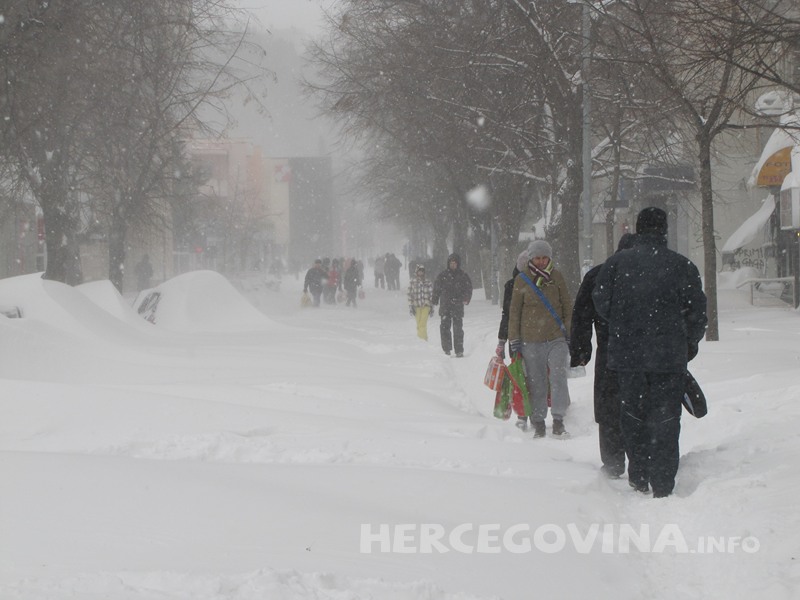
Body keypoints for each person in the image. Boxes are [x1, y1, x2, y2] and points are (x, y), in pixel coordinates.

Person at [593, 207, 707, 498]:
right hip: (668, 358)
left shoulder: (616, 264)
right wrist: (686, 345)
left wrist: (624, 325)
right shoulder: (682, 266)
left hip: (628, 357)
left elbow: (601, 304)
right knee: (666, 418)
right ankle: (663, 480)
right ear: (664, 230)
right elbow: (697, 313)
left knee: (633, 415)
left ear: (638, 228)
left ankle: (639, 474)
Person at [570, 233, 636, 476]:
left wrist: (580, 350)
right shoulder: (654, 274)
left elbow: (581, 315)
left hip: (609, 352)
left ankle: (613, 461)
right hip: (645, 354)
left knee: (609, 407)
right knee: (639, 407)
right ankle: (641, 461)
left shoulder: (599, 274)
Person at [507, 240, 572, 438]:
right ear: (531, 259)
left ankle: (558, 420)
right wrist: (514, 339)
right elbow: (514, 312)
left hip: (556, 337)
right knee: (537, 383)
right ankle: (539, 422)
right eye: (537, 258)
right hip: (531, 340)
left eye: (545, 258)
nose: (542, 261)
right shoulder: (522, 280)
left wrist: (569, 332)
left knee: (559, 377)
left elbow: (567, 306)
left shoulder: (557, 277)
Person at [496, 250, 530, 430]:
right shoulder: (511, 285)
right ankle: (522, 415)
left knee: (534, 377)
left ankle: (533, 413)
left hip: (535, 336)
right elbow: (507, 314)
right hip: (516, 338)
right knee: (519, 377)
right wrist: (502, 340)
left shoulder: (539, 283)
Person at [432, 253, 472, 357]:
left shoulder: (463, 276)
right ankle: (447, 349)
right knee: (444, 328)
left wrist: (466, 298)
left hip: (457, 306)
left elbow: (468, 289)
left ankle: (459, 350)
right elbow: (436, 288)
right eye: (451, 263)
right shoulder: (443, 276)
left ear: (458, 264)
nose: (453, 265)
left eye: (454, 263)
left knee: (458, 329)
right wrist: (435, 298)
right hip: (445, 306)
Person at [407, 264, 434, 340]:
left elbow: (431, 294)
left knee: (422, 323)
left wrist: (432, 306)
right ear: (416, 272)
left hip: (426, 306)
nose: (421, 273)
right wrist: (410, 306)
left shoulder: (428, 282)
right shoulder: (412, 282)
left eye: (422, 271)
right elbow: (409, 294)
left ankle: (422, 340)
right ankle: (423, 338)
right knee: (419, 324)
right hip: (416, 306)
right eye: (419, 271)